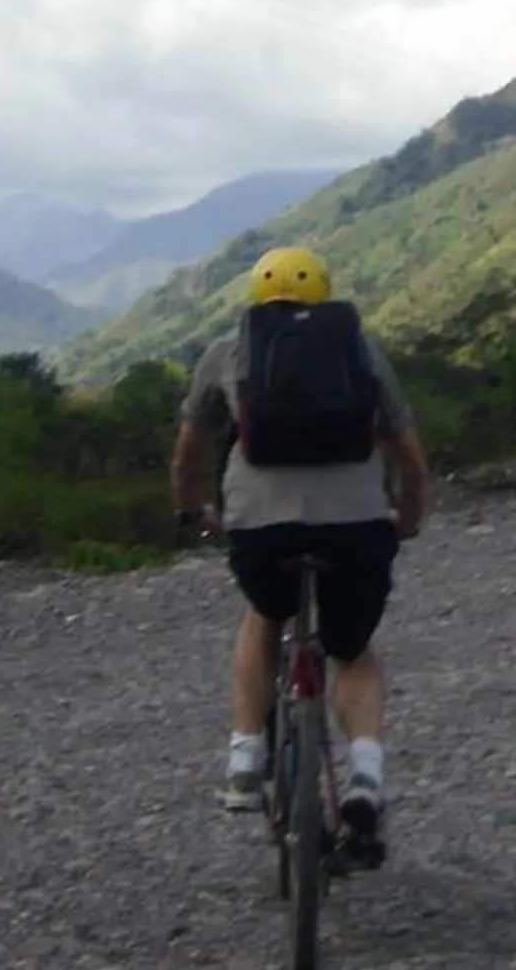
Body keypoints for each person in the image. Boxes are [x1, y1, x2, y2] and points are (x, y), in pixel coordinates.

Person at [171, 244, 429, 863]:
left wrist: (191, 512)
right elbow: (412, 460)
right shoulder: (361, 352)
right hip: (357, 527)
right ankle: (365, 777)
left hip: (261, 531)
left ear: (257, 298)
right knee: (352, 650)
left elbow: (189, 456)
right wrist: (407, 520)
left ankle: (244, 757)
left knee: (266, 614)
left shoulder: (227, 354)